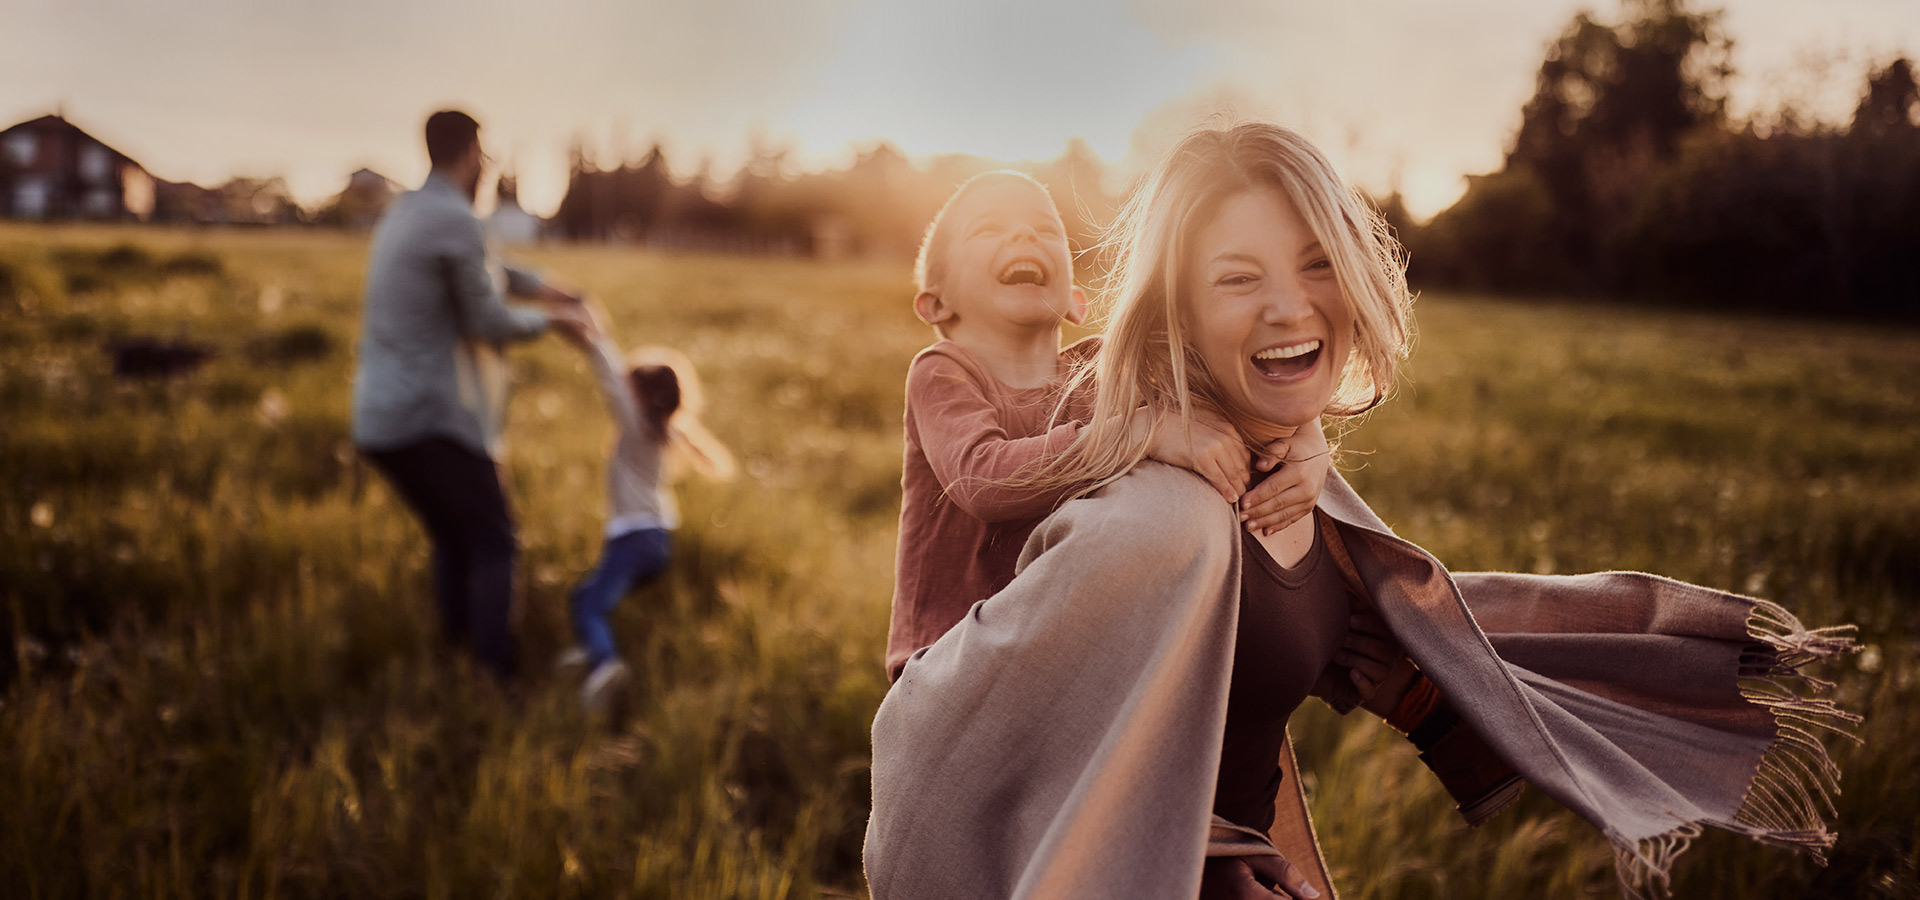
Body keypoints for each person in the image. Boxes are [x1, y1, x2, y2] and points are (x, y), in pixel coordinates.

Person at [865, 123, 1861, 900]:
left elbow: (1300, 653)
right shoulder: (1154, 510)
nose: (1293, 306)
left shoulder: (1280, 467)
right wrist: (1199, 860)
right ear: (1174, 311)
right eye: (1237, 277)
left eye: (1316, 261)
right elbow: (1061, 755)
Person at [888, 170, 1335, 682]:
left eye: (1046, 229)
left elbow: (1235, 388)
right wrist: (1141, 431)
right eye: (989, 228)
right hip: (950, 665)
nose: (1025, 235)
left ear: (1076, 300)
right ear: (936, 303)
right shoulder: (943, 371)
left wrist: (1306, 435)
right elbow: (981, 479)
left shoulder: (1107, 368)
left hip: (1061, 656)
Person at [351, 109, 591, 681]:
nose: (486, 165)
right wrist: (559, 323)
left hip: (379, 419)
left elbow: (489, 266)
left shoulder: (409, 210)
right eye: (484, 154)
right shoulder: (455, 217)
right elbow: (488, 320)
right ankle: (494, 679)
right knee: (493, 539)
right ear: (470, 154)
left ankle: (453, 650)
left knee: (453, 535)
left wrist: (549, 288)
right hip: (428, 416)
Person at [552, 304, 735, 710]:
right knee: (583, 598)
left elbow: (611, 383)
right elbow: (622, 388)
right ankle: (591, 651)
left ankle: (606, 664)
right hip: (656, 542)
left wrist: (596, 338)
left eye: (630, 388)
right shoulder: (663, 430)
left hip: (632, 539)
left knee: (594, 606)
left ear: (639, 396)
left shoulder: (636, 428)